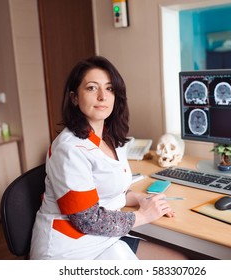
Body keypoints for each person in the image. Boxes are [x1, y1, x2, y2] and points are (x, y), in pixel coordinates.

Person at [30, 55, 187, 260]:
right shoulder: (69, 149)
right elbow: (88, 220)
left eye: (110, 88)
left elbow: (107, 193)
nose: (103, 96)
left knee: (179, 261)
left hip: (105, 238)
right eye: (92, 88)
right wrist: (144, 215)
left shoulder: (110, 139)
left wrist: (140, 198)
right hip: (71, 250)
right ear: (74, 97)